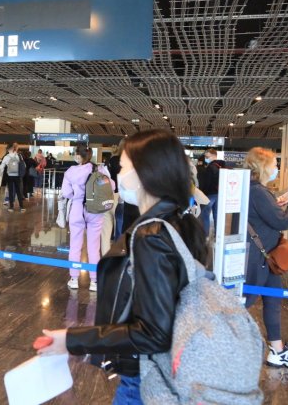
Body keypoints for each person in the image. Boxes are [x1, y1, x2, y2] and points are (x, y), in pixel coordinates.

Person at [35, 129, 207, 404]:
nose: (118, 174)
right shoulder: (176, 221)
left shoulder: (151, 236)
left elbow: (153, 333)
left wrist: (73, 339)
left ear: (145, 173)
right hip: (169, 372)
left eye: (124, 166)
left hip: (146, 380)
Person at [243, 147, 288, 369]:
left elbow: (266, 215)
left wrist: (279, 204)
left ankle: (277, 350)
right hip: (259, 258)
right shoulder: (259, 191)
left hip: (266, 257)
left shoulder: (253, 189)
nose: (276, 168)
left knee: (273, 300)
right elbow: (283, 222)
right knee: (244, 303)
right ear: (264, 167)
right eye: (274, 164)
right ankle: (214, 347)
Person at [61, 144, 112, 292]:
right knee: (94, 247)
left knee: (75, 245)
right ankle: (94, 281)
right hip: (95, 210)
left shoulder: (71, 172)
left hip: (77, 209)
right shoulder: (100, 169)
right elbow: (111, 186)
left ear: (78, 155)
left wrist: (77, 196)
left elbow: (66, 193)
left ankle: (74, 279)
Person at [197, 148, 220, 236]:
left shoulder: (210, 167)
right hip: (219, 194)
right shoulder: (221, 165)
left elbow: (207, 182)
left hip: (210, 194)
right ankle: (218, 234)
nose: (206, 158)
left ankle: (205, 235)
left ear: (214, 156)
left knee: (205, 215)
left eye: (207, 156)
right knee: (217, 214)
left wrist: (203, 193)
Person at [0, 143, 25, 213]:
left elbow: (2, 167)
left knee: (10, 191)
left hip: (9, 176)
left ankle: (11, 207)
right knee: (18, 191)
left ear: (8, 149)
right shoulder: (19, 155)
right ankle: (21, 207)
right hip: (17, 176)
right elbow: (24, 165)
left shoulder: (7, 157)